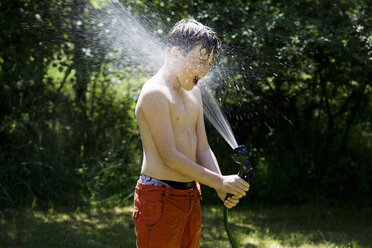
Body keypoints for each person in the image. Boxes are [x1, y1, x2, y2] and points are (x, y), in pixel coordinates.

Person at [132, 18, 250, 248]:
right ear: (175, 53)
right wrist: (219, 181)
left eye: (210, 64)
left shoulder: (194, 93)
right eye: (201, 61)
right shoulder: (156, 94)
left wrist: (219, 186)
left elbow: (202, 147)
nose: (205, 71)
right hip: (159, 197)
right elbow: (170, 156)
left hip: (189, 196)